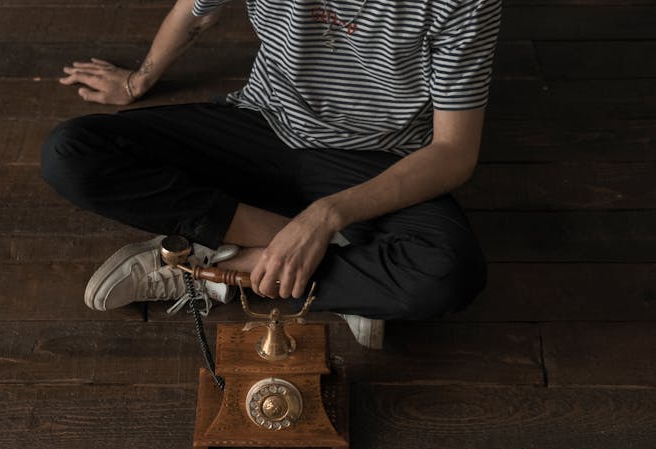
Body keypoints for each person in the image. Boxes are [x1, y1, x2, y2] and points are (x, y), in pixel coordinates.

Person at [41, 0, 501, 349]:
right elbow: (197, 12)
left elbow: (453, 152)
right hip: (260, 123)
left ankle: (205, 267)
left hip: (374, 158)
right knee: (71, 152)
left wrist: (324, 218)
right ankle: (336, 276)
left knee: (448, 275)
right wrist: (136, 81)